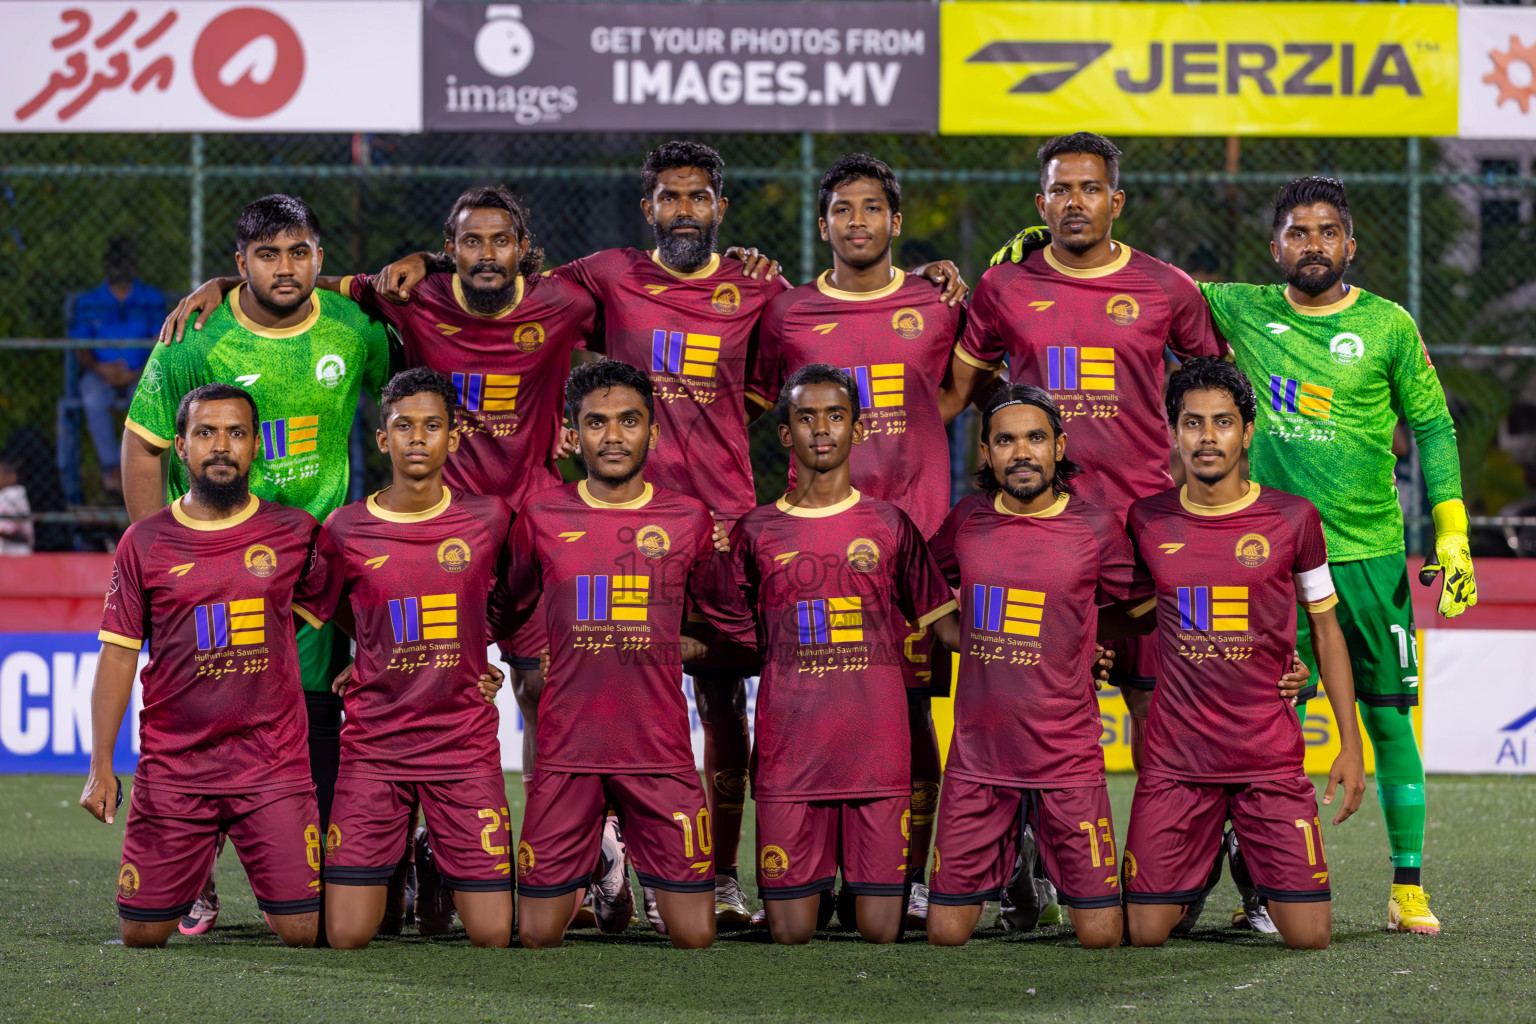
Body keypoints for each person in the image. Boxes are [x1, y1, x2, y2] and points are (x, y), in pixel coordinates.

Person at [1198, 176, 1474, 935]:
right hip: (1269, 564)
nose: (1312, 244)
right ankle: (1258, 890)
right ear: (1275, 245)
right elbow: (1151, 287)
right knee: (1263, 726)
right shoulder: (1242, 307)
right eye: (1297, 231)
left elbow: (1436, 429)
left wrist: (1451, 531)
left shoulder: (1387, 325)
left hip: (1371, 558)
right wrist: (1040, 254)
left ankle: (1407, 889)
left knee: (1390, 723)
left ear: (1350, 246)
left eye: (1327, 232)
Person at [123, 194, 394, 934]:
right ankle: (194, 876)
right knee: (200, 720)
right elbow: (145, 444)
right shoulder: (196, 335)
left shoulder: (356, 329)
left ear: (320, 259)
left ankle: (330, 870)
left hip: (310, 577)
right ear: (238, 263)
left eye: (299, 252)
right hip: (207, 573)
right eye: (267, 254)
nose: (286, 267)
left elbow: (411, 400)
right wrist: (159, 556)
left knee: (311, 722)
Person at [951, 133, 1228, 777]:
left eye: (1090, 188)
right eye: (1061, 189)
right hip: (1035, 530)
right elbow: (960, 393)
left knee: (1156, 704)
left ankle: (1175, 851)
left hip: (1141, 529)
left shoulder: (1166, 287)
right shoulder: (1002, 286)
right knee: (1031, 702)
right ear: (1040, 202)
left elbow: (1218, 398)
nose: (1075, 201)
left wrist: (1206, 504)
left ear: (1116, 200)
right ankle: (1033, 853)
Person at [753, 154, 968, 926]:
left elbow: (953, 392)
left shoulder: (938, 305)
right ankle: (813, 866)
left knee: (914, 715)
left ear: (895, 221)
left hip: (915, 540)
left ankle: (904, 877)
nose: (857, 222)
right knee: (821, 700)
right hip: (816, 542)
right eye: (842, 210)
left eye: (872, 208)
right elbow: (758, 398)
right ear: (823, 226)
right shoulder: (786, 312)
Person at [694, 364, 959, 945]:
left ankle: (852, 886)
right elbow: (728, 634)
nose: (822, 428)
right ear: (785, 434)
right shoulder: (753, 531)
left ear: (857, 430)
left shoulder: (891, 524)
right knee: (791, 933)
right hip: (792, 760)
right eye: (806, 416)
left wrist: (1064, 638)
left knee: (881, 932)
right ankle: (811, 889)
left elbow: (952, 633)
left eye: (836, 415)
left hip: (877, 758)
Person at [1120, 357, 1365, 950]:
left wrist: (1350, 744)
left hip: (1267, 757)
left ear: (1247, 431)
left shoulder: (1293, 518)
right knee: (1143, 932)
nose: (1208, 438)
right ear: (1174, 431)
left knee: (1309, 937)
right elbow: (1126, 614)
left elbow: (1327, 633)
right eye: (1193, 423)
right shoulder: (1145, 519)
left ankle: (1236, 842)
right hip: (1179, 761)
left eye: (1223, 423)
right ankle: (1199, 861)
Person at [78, 383, 328, 948]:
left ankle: (275, 884)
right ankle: (198, 879)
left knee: (305, 930)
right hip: (177, 767)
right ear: (181, 445)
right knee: (142, 935)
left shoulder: (294, 533)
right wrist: (100, 765)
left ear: (256, 444)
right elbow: (118, 655)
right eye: (205, 433)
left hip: (271, 764)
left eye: (236, 433)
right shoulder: (143, 542)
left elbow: (354, 609)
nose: (222, 446)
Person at [493, 359, 721, 950]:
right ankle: (604, 860)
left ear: (653, 430)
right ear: (574, 433)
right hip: (568, 750)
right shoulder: (541, 516)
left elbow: (723, 615)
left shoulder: (690, 518)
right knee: (538, 936)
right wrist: (491, 665)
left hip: (660, 750)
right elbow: (506, 605)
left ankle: (623, 851)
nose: (613, 436)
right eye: (596, 423)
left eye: (628, 421)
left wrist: (694, 640)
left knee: (696, 936)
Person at [924, 384, 1154, 949]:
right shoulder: (967, 520)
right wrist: (958, 637)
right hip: (978, 762)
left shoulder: (1096, 527)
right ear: (986, 452)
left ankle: (1029, 851)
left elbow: (1143, 614)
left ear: (1059, 447)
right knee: (945, 935)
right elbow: (922, 582)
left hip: (1066, 760)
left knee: (1101, 936)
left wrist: (1080, 636)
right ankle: (1019, 856)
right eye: (1005, 440)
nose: (1021, 452)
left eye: (1034, 438)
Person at [303, 368, 513, 949]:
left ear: (454, 436)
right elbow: (325, 603)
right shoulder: (345, 528)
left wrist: (485, 651)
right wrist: (372, 642)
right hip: (376, 743)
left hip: (461, 742)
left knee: (494, 934)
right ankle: (411, 847)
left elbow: (522, 597)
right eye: (403, 426)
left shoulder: (491, 519)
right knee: (346, 935)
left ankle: (432, 853)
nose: (417, 438)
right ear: (381, 439)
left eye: (431, 426)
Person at [68, 236, 167, 499]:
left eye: (124, 262)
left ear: (133, 265)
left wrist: (138, 372)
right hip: (101, 374)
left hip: (143, 372)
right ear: (105, 265)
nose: (119, 268)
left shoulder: (150, 298)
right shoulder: (90, 301)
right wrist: (102, 369)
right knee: (92, 397)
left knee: (150, 396)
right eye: (114, 262)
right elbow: (80, 345)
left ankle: (141, 468)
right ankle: (112, 468)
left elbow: (162, 341)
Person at [0, 450, 34, 555]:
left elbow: (7, 530)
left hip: (14, 556)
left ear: (12, 475)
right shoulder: (16, 494)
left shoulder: (11, 495)